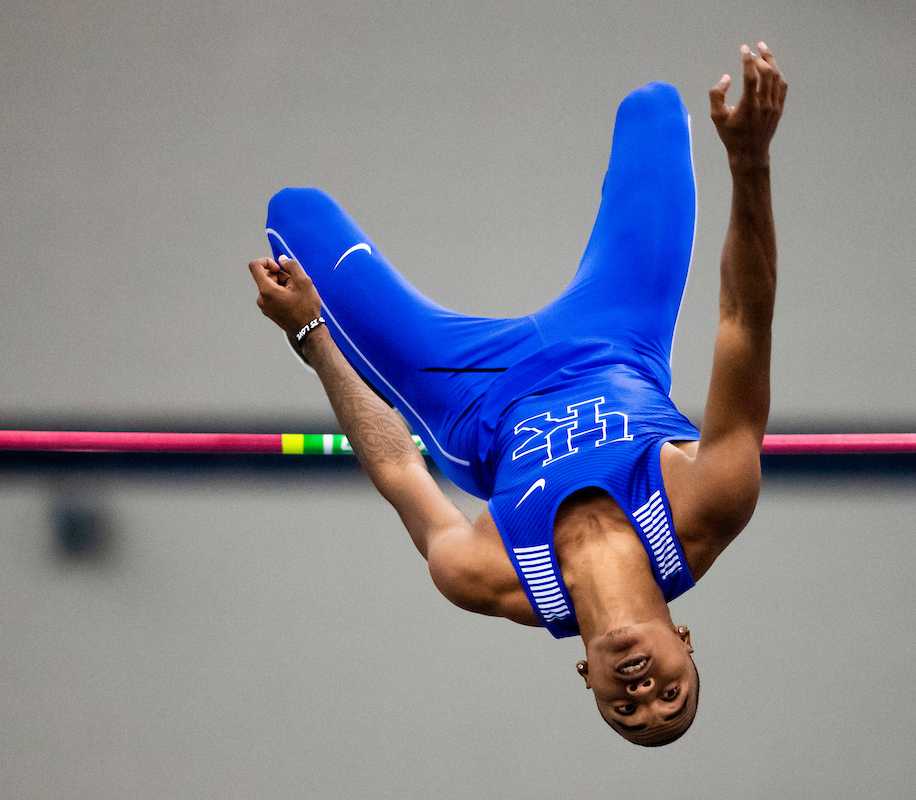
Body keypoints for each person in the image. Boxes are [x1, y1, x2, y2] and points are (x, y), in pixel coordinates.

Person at [248, 43, 786, 746]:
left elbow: (399, 469)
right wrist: (750, 163)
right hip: (614, 337)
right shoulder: (708, 506)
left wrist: (311, 334)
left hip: (470, 390)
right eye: (670, 694)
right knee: (654, 108)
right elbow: (744, 322)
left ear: (586, 679)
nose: (643, 691)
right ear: (684, 640)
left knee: (295, 216)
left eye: (625, 710)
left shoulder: (494, 578)